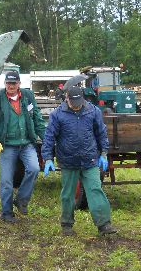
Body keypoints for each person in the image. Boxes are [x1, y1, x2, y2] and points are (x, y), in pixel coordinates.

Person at [41, 85, 117, 236]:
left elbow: (101, 132)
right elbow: (49, 137)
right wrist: (48, 158)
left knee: (95, 190)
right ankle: (67, 224)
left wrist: (103, 153)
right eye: (73, 103)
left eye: (79, 102)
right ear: (67, 99)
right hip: (68, 160)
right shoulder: (57, 115)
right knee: (68, 194)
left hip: (90, 159)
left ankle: (104, 224)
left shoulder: (93, 111)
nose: (76, 106)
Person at [0, 70, 45, 223]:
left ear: (19, 84)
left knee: (34, 168)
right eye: (8, 83)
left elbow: (37, 118)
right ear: (4, 84)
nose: (11, 86)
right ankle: (7, 213)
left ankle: (21, 200)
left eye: (14, 83)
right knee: (6, 181)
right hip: (7, 146)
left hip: (27, 143)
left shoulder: (28, 97)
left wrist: (46, 139)